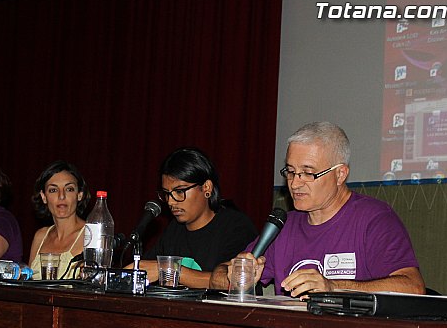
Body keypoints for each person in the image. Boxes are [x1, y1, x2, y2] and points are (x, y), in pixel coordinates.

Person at [211, 122, 425, 297]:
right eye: (291, 172)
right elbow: (218, 276)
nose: (294, 184)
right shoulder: (283, 226)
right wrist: (237, 274)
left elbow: (413, 288)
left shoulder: (374, 219)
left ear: (340, 174)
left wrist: (332, 286)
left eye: (308, 173)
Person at [140, 147, 258, 288]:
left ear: (206, 188)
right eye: (166, 193)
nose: (171, 202)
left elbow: (230, 282)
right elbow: (146, 269)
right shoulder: (174, 229)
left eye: (179, 191)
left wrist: (169, 271)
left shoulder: (236, 227)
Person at [29, 160, 91, 279]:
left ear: (80, 194)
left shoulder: (91, 235)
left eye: (69, 189)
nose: (61, 196)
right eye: (53, 190)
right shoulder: (40, 236)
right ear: (44, 197)